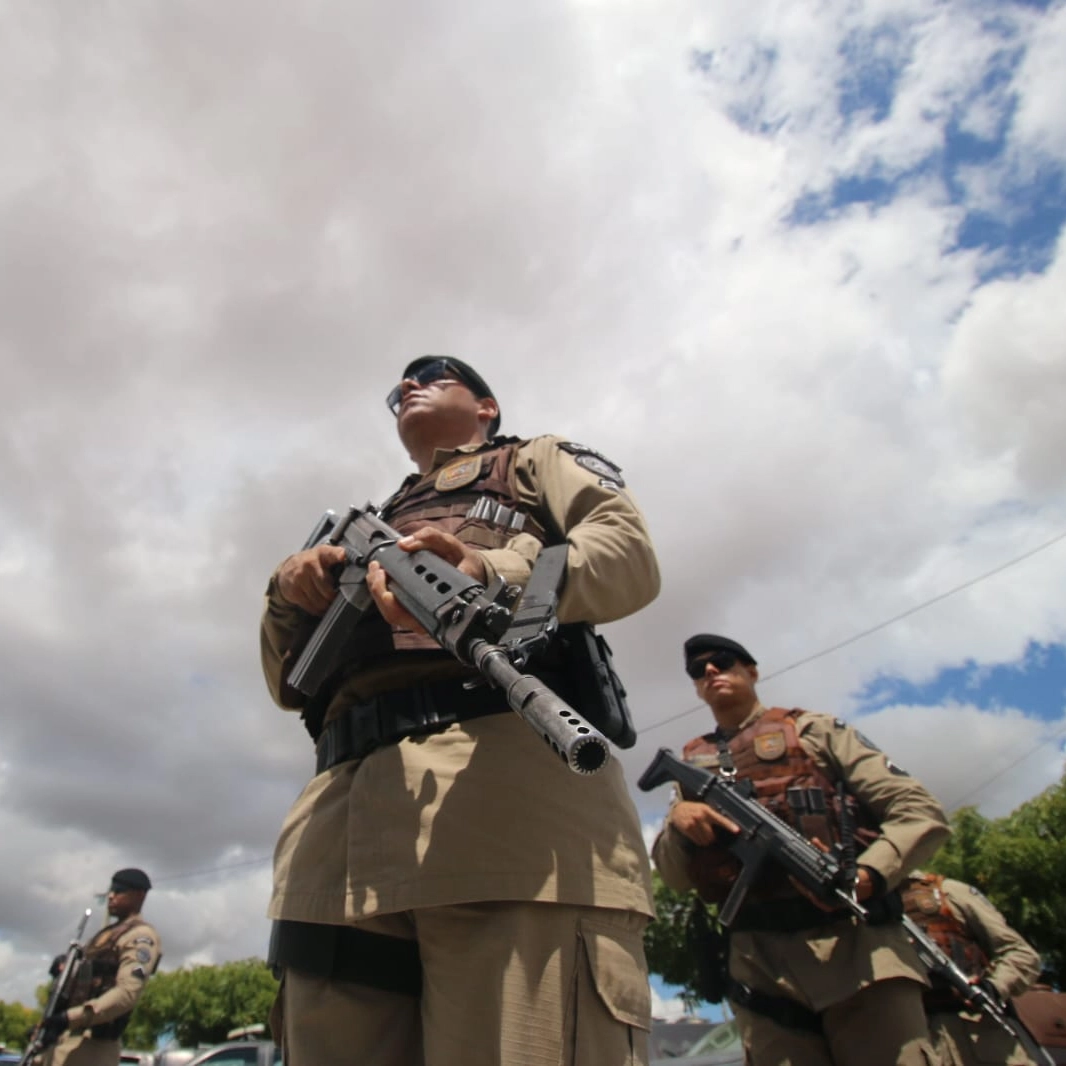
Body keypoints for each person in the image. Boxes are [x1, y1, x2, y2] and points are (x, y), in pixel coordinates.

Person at [261, 356, 661, 1066]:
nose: (409, 386)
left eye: (435, 373)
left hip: (503, 796)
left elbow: (627, 556)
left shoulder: (533, 461)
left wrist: (488, 571)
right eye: (398, 387)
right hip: (338, 818)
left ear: (487, 405)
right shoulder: (371, 520)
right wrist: (287, 593)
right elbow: (288, 684)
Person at [650, 634, 952, 1066]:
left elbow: (920, 813)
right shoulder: (692, 766)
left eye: (722, 661)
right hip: (760, 966)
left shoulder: (814, 730)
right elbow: (675, 877)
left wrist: (868, 876)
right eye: (699, 671)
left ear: (752, 670)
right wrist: (679, 824)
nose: (711, 671)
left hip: (854, 948)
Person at [901, 871, 1043, 1066]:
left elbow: (1022, 954)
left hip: (979, 1035)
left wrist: (993, 987)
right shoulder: (854, 909)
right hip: (915, 1044)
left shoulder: (946, 892)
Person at [40, 868, 162, 1066]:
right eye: (111, 890)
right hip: (63, 1042)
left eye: (120, 890)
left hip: (93, 1047)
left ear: (140, 895)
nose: (111, 895)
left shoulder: (141, 938)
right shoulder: (104, 937)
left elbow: (127, 993)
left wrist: (71, 1017)